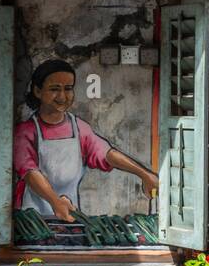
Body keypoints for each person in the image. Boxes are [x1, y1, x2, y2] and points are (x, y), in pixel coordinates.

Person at [14, 59, 159, 221]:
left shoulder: (79, 128)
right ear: (37, 91)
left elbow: (106, 154)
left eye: (68, 88)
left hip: (69, 214)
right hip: (31, 218)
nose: (62, 96)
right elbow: (30, 173)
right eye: (54, 89)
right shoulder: (25, 132)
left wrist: (144, 174)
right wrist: (55, 202)